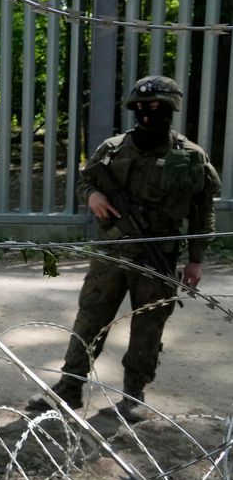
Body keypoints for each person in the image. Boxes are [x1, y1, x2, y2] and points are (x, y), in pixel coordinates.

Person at [26, 75, 220, 422]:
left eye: (157, 107)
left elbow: (203, 211)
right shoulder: (112, 148)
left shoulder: (190, 157)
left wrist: (196, 261)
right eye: (142, 107)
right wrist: (93, 196)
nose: (148, 113)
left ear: (170, 109)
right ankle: (69, 388)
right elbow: (86, 180)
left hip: (157, 255)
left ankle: (134, 394)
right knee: (90, 320)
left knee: (148, 328)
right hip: (110, 254)